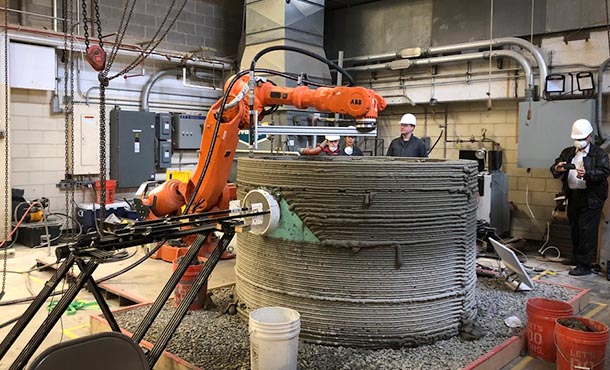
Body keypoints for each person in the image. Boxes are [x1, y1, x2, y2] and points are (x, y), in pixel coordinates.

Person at [550, 118, 610, 276]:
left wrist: (588, 174)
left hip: (592, 198)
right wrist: (557, 168)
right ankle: (576, 257)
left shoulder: (599, 154)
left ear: (590, 137)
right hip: (573, 195)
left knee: (586, 230)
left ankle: (585, 265)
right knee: (575, 228)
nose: (579, 142)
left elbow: (604, 172)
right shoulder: (568, 152)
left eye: (582, 139)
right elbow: (555, 165)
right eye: (576, 139)